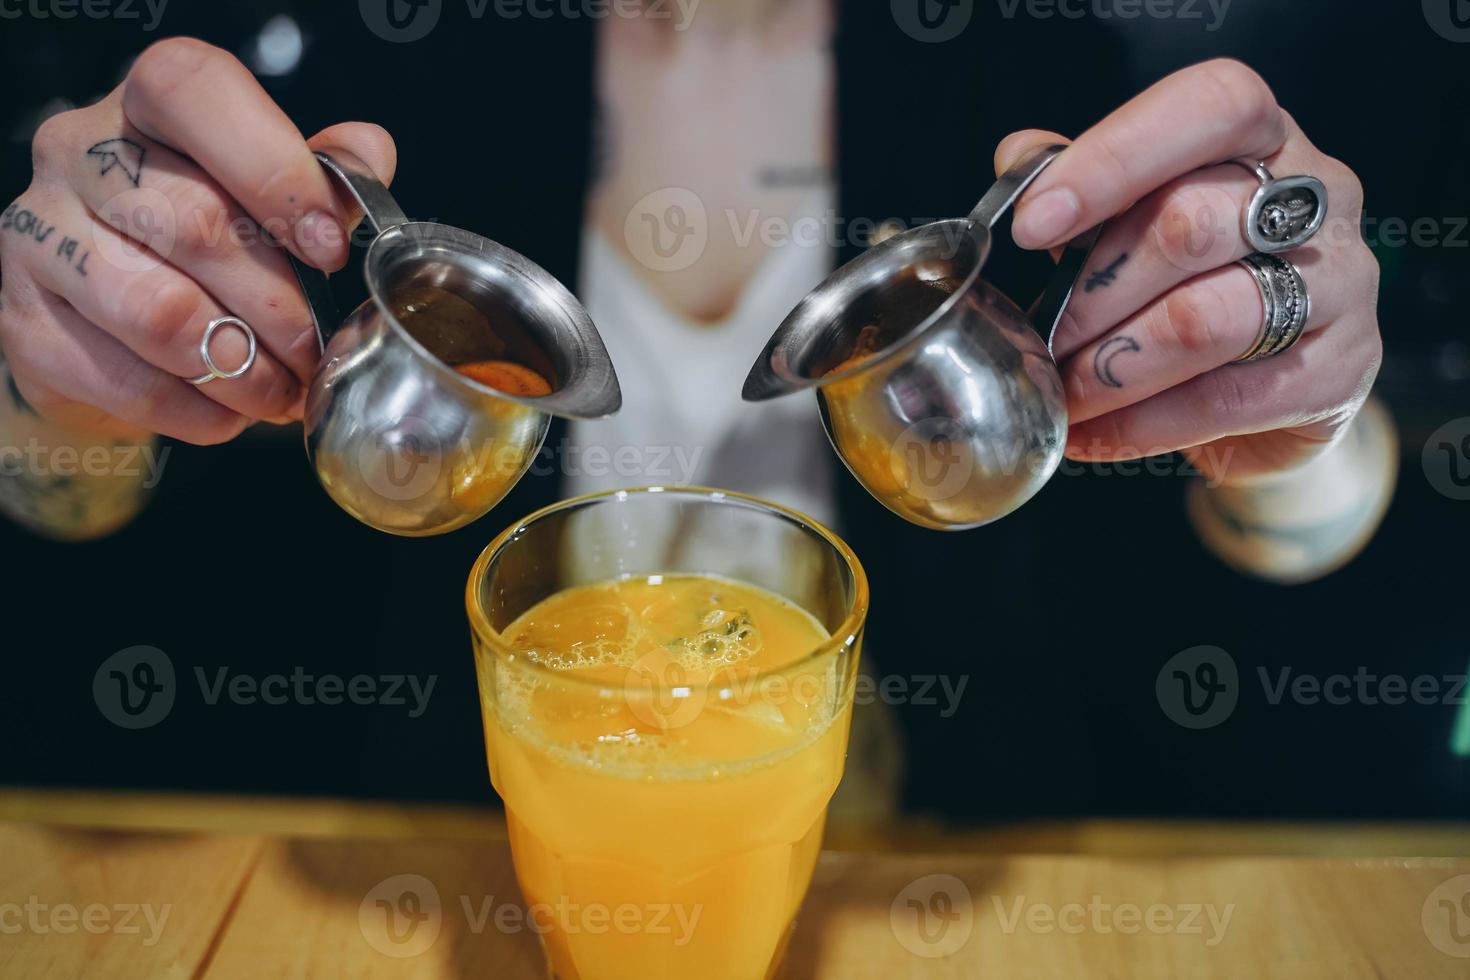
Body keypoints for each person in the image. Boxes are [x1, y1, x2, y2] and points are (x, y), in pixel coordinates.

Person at [0, 3, 1413, 818]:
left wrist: (1293, 423)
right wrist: (53, 380)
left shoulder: (1019, 64)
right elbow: (82, 517)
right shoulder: (363, 49)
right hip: (452, 869)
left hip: (923, 870)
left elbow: (1287, 549)